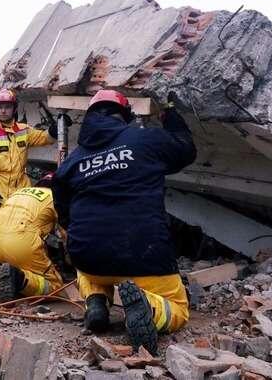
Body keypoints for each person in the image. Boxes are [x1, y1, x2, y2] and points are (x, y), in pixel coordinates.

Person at [52, 90, 196, 354]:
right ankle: (150, 308)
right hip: (144, 253)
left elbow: (63, 212)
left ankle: (96, 300)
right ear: (125, 115)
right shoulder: (144, 140)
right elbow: (185, 149)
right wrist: (169, 114)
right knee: (177, 308)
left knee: (86, 256)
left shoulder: (72, 161)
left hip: (90, 258)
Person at [0, 89, 66, 231]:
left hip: (22, 187)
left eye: (7, 107)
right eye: (0, 107)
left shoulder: (23, 130)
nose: (3, 110)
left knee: (23, 224)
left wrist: (56, 129)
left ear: (14, 108)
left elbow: (43, 138)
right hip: (0, 188)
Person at [0, 173, 64, 302]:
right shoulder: (55, 197)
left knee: (23, 258)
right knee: (56, 288)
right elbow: (67, 233)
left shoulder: (18, 193)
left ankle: (12, 273)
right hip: (21, 245)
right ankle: (20, 278)